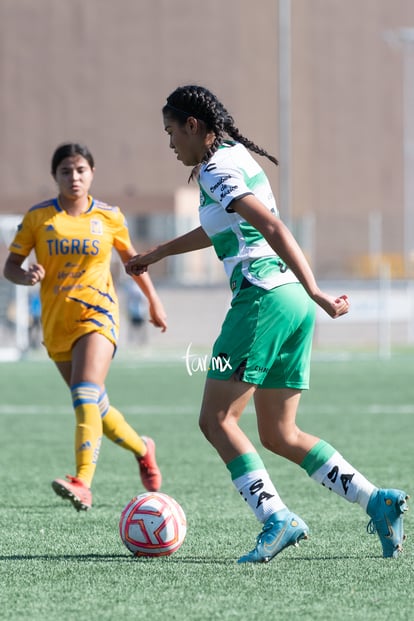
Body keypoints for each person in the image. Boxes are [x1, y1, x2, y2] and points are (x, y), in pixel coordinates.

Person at [126, 85, 408, 562]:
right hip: (290, 302)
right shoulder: (234, 159)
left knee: (216, 418)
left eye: (171, 133)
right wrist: (158, 252)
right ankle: (375, 501)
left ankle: (276, 518)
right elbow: (222, 227)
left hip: (263, 301)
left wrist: (318, 288)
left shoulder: (214, 169)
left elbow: (274, 228)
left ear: (193, 126)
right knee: (280, 434)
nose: (171, 144)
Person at [3, 142, 168, 512]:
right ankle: (143, 449)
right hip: (56, 323)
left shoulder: (110, 217)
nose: (74, 177)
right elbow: (10, 267)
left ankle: (82, 481)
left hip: (99, 315)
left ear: (91, 173)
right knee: (96, 406)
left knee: (83, 392)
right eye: (65, 171)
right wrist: (24, 274)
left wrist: (154, 303)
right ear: (55, 176)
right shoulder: (39, 218)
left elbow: (133, 263)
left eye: (80, 170)